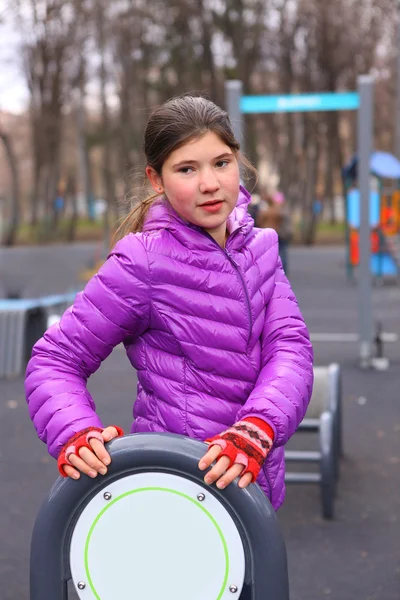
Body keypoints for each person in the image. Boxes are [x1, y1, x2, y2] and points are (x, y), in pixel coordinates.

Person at [25, 94, 313, 513]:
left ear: (238, 160)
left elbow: (291, 349)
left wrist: (258, 426)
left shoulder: (261, 248)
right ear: (157, 180)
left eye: (220, 162)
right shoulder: (142, 261)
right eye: (186, 169)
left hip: (254, 487)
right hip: (175, 494)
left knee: (258, 579)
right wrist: (74, 432)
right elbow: (55, 359)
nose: (210, 183)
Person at [257, 191, 292, 275]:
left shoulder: (266, 212)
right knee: (281, 254)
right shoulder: (279, 211)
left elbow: (259, 221)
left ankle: (273, 271)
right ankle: (281, 272)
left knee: (272, 254)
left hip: (270, 234)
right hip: (278, 233)